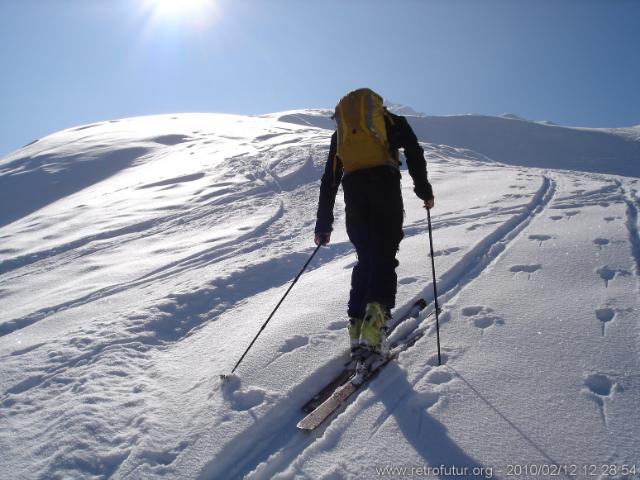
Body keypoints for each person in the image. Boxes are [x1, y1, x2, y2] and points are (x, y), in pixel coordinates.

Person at [314, 88, 435, 359]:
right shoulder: (392, 121)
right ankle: (374, 330)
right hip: (384, 185)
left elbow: (329, 179)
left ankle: (356, 330)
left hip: (354, 191)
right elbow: (414, 153)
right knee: (384, 257)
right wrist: (424, 191)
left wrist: (323, 224)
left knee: (366, 258)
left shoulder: (342, 135)